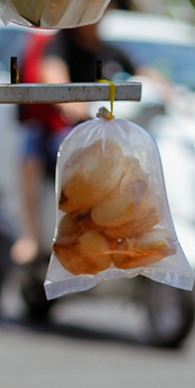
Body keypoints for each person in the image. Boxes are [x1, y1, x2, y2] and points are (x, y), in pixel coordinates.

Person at [13, 17, 135, 264]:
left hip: (105, 131)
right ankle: (31, 235)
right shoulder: (60, 45)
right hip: (64, 129)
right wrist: (71, 102)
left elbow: (144, 74)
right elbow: (52, 73)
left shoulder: (109, 51)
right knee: (32, 149)